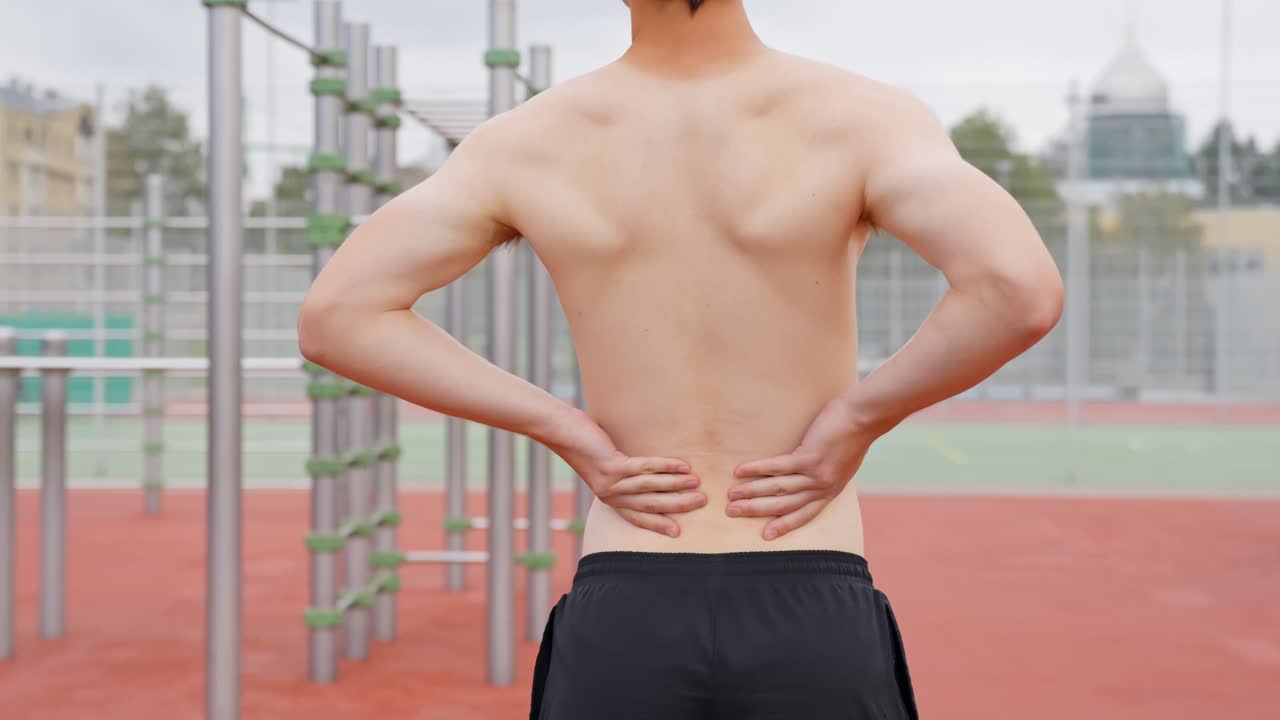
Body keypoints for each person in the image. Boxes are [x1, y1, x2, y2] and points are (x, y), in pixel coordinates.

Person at [298, 0, 1064, 717]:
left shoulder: (528, 140)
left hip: (629, 590)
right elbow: (1017, 289)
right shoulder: (862, 118)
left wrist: (564, 427)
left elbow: (338, 317)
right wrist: (859, 419)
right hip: (807, 582)